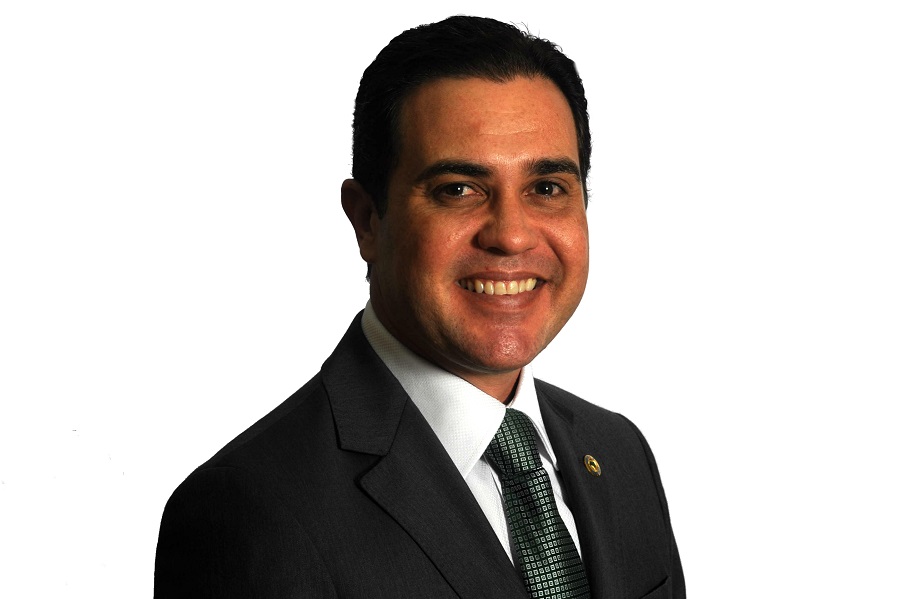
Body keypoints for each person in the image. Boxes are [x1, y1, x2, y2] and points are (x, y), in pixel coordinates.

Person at [154, 15, 684, 599]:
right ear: (367, 221)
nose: (511, 236)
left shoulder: (619, 453)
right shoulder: (252, 511)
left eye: (547, 188)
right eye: (458, 189)